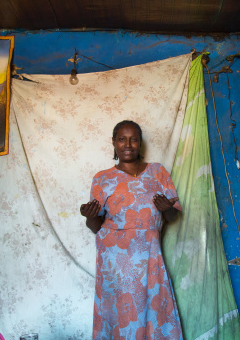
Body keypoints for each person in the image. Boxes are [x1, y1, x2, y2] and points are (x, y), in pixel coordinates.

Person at [80, 120, 183, 339]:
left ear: (140, 144)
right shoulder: (102, 178)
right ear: (114, 143)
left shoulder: (157, 172)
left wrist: (167, 209)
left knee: (153, 311)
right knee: (120, 314)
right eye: (122, 139)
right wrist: (90, 217)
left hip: (149, 257)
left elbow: (173, 215)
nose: (128, 144)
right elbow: (96, 227)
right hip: (115, 262)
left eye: (133, 139)